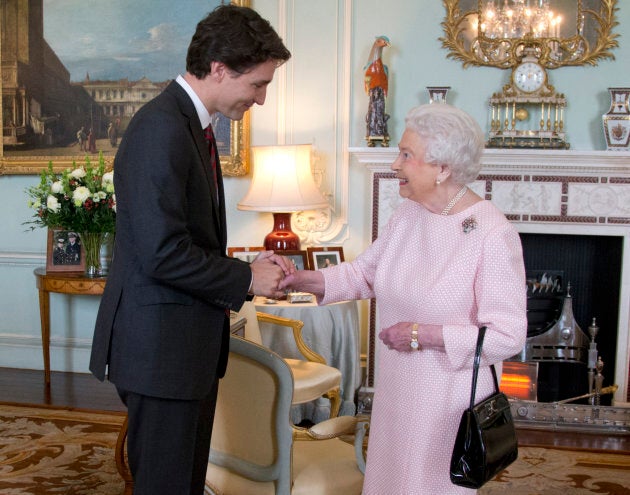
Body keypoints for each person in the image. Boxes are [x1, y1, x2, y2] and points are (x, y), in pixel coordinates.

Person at [89, 5, 292, 495]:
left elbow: (187, 240)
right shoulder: (160, 128)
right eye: (258, 84)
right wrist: (244, 279)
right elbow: (162, 252)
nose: (261, 99)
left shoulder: (188, 125)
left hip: (179, 351)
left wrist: (246, 269)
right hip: (161, 355)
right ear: (219, 68)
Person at [280, 103, 527, 494]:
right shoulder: (409, 214)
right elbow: (366, 273)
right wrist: (299, 279)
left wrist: (421, 334)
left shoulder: (491, 234)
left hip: (447, 402)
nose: (395, 164)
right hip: (398, 392)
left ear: (442, 168)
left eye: (407, 155)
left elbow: (507, 335)